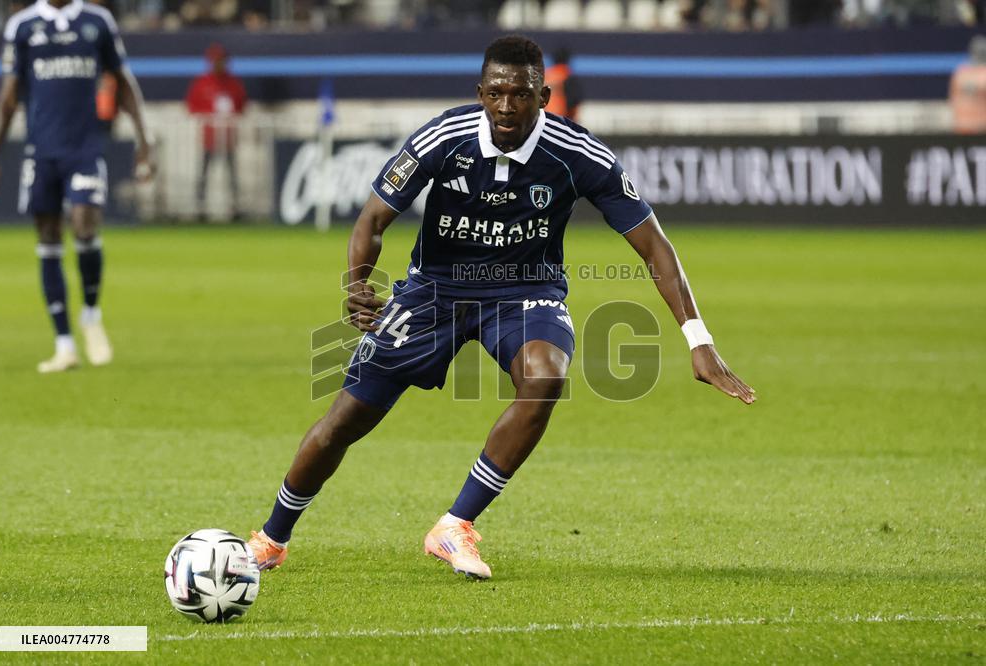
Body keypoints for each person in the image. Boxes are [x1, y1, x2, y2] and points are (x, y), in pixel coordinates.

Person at [248, 35, 755, 580]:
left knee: (545, 377)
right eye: (495, 93)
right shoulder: (444, 136)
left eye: (520, 93)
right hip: (433, 290)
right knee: (344, 421)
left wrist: (698, 341)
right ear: (480, 93)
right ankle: (271, 538)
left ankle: (454, 526)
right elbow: (372, 221)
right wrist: (356, 285)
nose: (506, 107)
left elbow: (655, 245)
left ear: (544, 95)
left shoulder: (579, 154)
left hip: (523, 292)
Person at [0, 0, 153, 373]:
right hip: (41, 153)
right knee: (47, 239)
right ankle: (64, 345)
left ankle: (90, 314)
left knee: (84, 222)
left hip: (85, 150)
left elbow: (123, 81)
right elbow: (9, 96)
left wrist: (144, 139)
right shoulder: (23, 27)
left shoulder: (97, 21)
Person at [185, 43, 246, 221]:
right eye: (216, 61)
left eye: (221, 61)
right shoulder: (202, 82)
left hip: (228, 138)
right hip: (209, 138)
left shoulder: (234, 83)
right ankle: (200, 208)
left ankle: (235, 208)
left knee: (232, 175)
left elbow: (242, 106)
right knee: (203, 174)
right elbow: (191, 106)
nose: (219, 64)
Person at [949, 35, 986, 134]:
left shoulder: (960, 72)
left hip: (981, 129)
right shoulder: (960, 72)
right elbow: (953, 98)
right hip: (962, 127)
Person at [544, 48, 583, 122]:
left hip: (543, 120)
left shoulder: (545, 76)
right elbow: (574, 101)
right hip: (561, 120)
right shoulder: (567, 76)